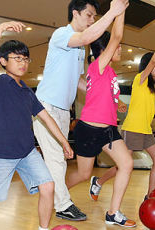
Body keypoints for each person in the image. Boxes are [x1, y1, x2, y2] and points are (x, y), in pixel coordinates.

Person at [0, 21, 74, 230]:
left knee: (48, 186)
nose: (23, 63)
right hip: (2, 154)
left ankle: (43, 228)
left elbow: (46, 118)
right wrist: (0, 29)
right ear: (3, 61)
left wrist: (64, 142)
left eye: (25, 59)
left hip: (27, 152)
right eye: (17, 58)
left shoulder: (28, 92)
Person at [33, 0, 129, 221]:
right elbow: (88, 37)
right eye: (89, 15)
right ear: (75, 14)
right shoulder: (61, 35)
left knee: (63, 162)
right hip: (45, 106)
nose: (92, 20)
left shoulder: (78, 50)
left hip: (64, 110)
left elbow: (79, 81)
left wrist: (106, 96)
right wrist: (114, 12)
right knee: (56, 160)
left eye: (94, 16)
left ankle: (53, 196)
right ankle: (63, 205)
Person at [88, 23, 155, 201]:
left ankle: (150, 197)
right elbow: (152, 60)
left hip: (146, 130)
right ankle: (98, 182)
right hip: (133, 129)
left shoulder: (153, 88)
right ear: (147, 66)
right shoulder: (140, 79)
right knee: (124, 165)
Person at [65, 12, 136, 227]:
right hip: (89, 130)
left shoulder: (109, 72)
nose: (120, 49)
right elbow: (116, 36)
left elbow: (99, 95)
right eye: (117, 47)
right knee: (84, 174)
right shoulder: (98, 66)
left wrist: (118, 104)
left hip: (108, 131)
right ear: (104, 51)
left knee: (127, 163)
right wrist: (120, 11)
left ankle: (113, 213)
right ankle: (58, 194)